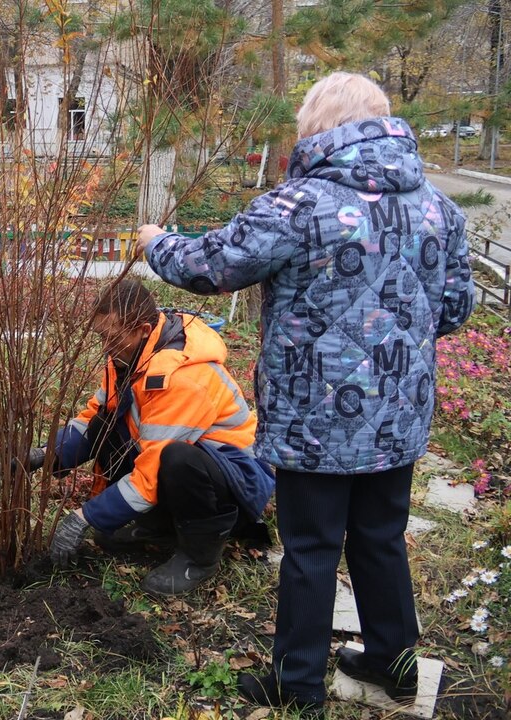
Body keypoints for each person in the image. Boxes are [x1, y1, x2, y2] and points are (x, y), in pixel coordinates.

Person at [138, 72, 474, 717]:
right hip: (396, 417)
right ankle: (392, 662)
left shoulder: (299, 204)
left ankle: (298, 686)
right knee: (382, 536)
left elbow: (210, 265)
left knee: (313, 547)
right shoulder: (440, 208)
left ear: (319, 129)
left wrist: (158, 243)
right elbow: (454, 309)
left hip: (316, 419)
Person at [36, 279, 274, 596]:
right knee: (107, 423)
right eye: (100, 336)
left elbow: (150, 473)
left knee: (177, 459)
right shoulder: (128, 356)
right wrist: (44, 454)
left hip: (235, 482)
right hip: (194, 470)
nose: (105, 347)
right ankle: (159, 528)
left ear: (144, 330)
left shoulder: (182, 378)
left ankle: (200, 554)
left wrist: (84, 518)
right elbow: (96, 417)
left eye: (112, 337)